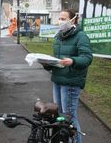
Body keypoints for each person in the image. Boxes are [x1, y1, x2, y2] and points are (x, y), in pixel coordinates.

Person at [43, 10, 92, 143]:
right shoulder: (58, 36)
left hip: (71, 82)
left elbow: (87, 58)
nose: (60, 21)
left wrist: (73, 61)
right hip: (57, 80)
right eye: (59, 18)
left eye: (63, 18)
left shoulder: (81, 36)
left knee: (69, 117)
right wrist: (47, 64)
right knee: (59, 115)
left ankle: (76, 141)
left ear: (73, 20)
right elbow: (58, 60)